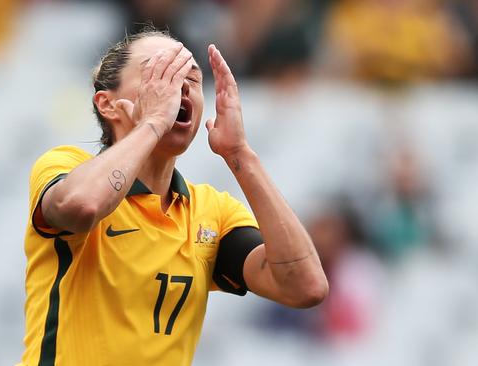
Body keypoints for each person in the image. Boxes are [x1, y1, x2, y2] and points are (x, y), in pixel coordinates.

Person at [19, 29, 328, 366]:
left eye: (191, 78)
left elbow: (304, 286)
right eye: (159, 74)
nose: (179, 87)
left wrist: (241, 154)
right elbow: (82, 206)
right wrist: (152, 122)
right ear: (107, 104)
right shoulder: (65, 166)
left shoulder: (212, 212)